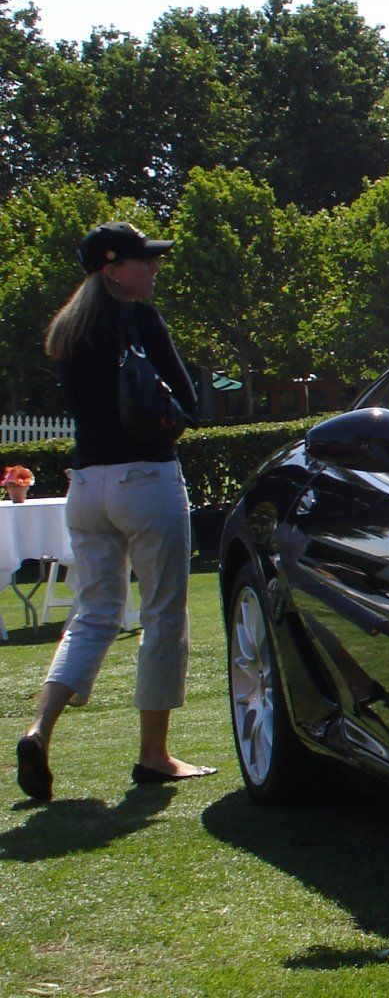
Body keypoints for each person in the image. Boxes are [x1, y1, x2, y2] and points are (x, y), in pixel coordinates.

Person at [14, 222, 206, 803]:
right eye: (142, 262)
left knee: (93, 612)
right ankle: (154, 755)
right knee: (163, 613)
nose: (152, 269)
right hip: (145, 478)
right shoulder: (139, 320)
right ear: (111, 269)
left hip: (87, 485)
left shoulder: (69, 334)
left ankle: (38, 730)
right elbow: (186, 402)